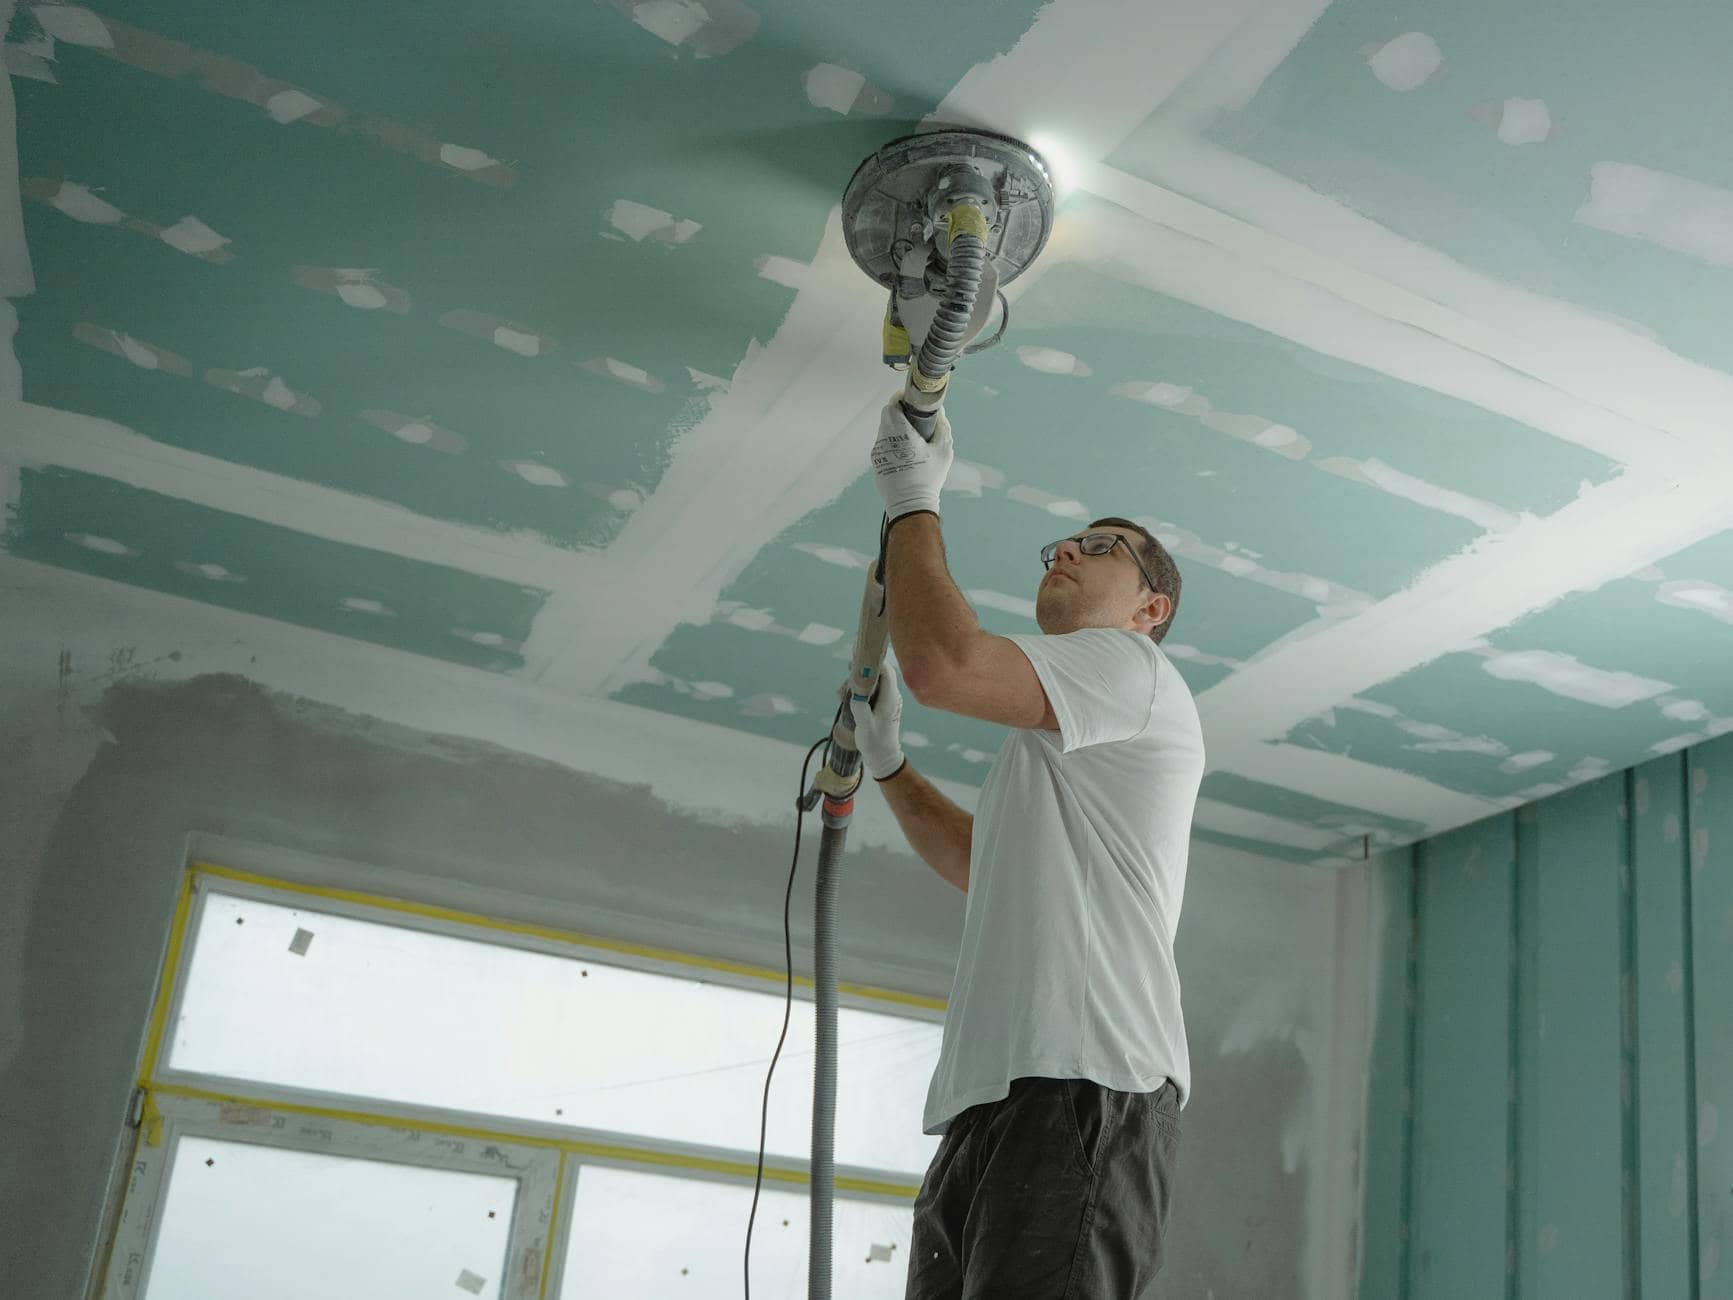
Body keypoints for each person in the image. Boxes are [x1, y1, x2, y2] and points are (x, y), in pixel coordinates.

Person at [851, 395, 1206, 1299]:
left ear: (1149, 608)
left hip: (1086, 1080)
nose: (1066, 553)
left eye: (1099, 547)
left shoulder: (1133, 672)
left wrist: (910, 500)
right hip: (995, 1097)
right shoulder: (1051, 751)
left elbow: (943, 666)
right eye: (1059, 547)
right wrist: (889, 765)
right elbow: (982, 865)